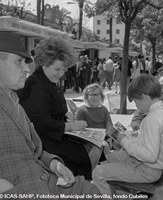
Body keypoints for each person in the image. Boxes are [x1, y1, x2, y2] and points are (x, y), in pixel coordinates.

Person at [0, 31, 101, 197]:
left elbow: (33, 148)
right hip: (23, 185)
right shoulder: (33, 87)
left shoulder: (13, 96)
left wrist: (54, 164)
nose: (27, 69)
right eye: (19, 62)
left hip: (41, 174)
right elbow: (41, 125)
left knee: (91, 189)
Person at [17, 36, 94, 180]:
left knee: (89, 149)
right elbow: (41, 123)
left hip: (52, 134)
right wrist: (69, 126)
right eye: (58, 69)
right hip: (41, 140)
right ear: (44, 64)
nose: (61, 73)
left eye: (64, 69)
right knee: (78, 154)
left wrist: (66, 120)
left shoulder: (45, 79)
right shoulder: (36, 86)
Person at [92, 74, 163, 196]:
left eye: (135, 101)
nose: (136, 106)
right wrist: (131, 137)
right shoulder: (161, 113)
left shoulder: (152, 120)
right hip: (151, 166)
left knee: (98, 172)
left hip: (148, 169)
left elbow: (150, 156)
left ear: (144, 97)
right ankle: (122, 195)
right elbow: (150, 142)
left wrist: (123, 140)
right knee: (110, 157)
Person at [75, 83, 112, 169]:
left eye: (98, 94)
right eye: (92, 95)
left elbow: (109, 126)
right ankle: (92, 171)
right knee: (102, 146)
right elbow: (78, 128)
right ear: (86, 97)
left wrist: (109, 137)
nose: (95, 97)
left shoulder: (104, 110)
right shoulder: (82, 110)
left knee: (122, 142)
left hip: (103, 136)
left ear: (101, 96)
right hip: (87, 139)